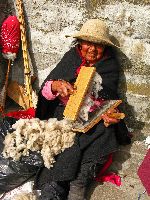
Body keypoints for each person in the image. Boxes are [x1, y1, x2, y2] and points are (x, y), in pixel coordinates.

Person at [34, 19, 131, 200]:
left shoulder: (109, 65)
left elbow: (110, 97)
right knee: (62, 142)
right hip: (64, 115)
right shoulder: (71, 58)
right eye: (88, 43)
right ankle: (56, 185)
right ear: (80, 43)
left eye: (98, 45)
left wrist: (110, 114)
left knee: (104, 134)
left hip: (94, 118)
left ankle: (79, 182)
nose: (92, 49)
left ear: (105, 48)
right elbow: (46, 91)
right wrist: (56, 86)